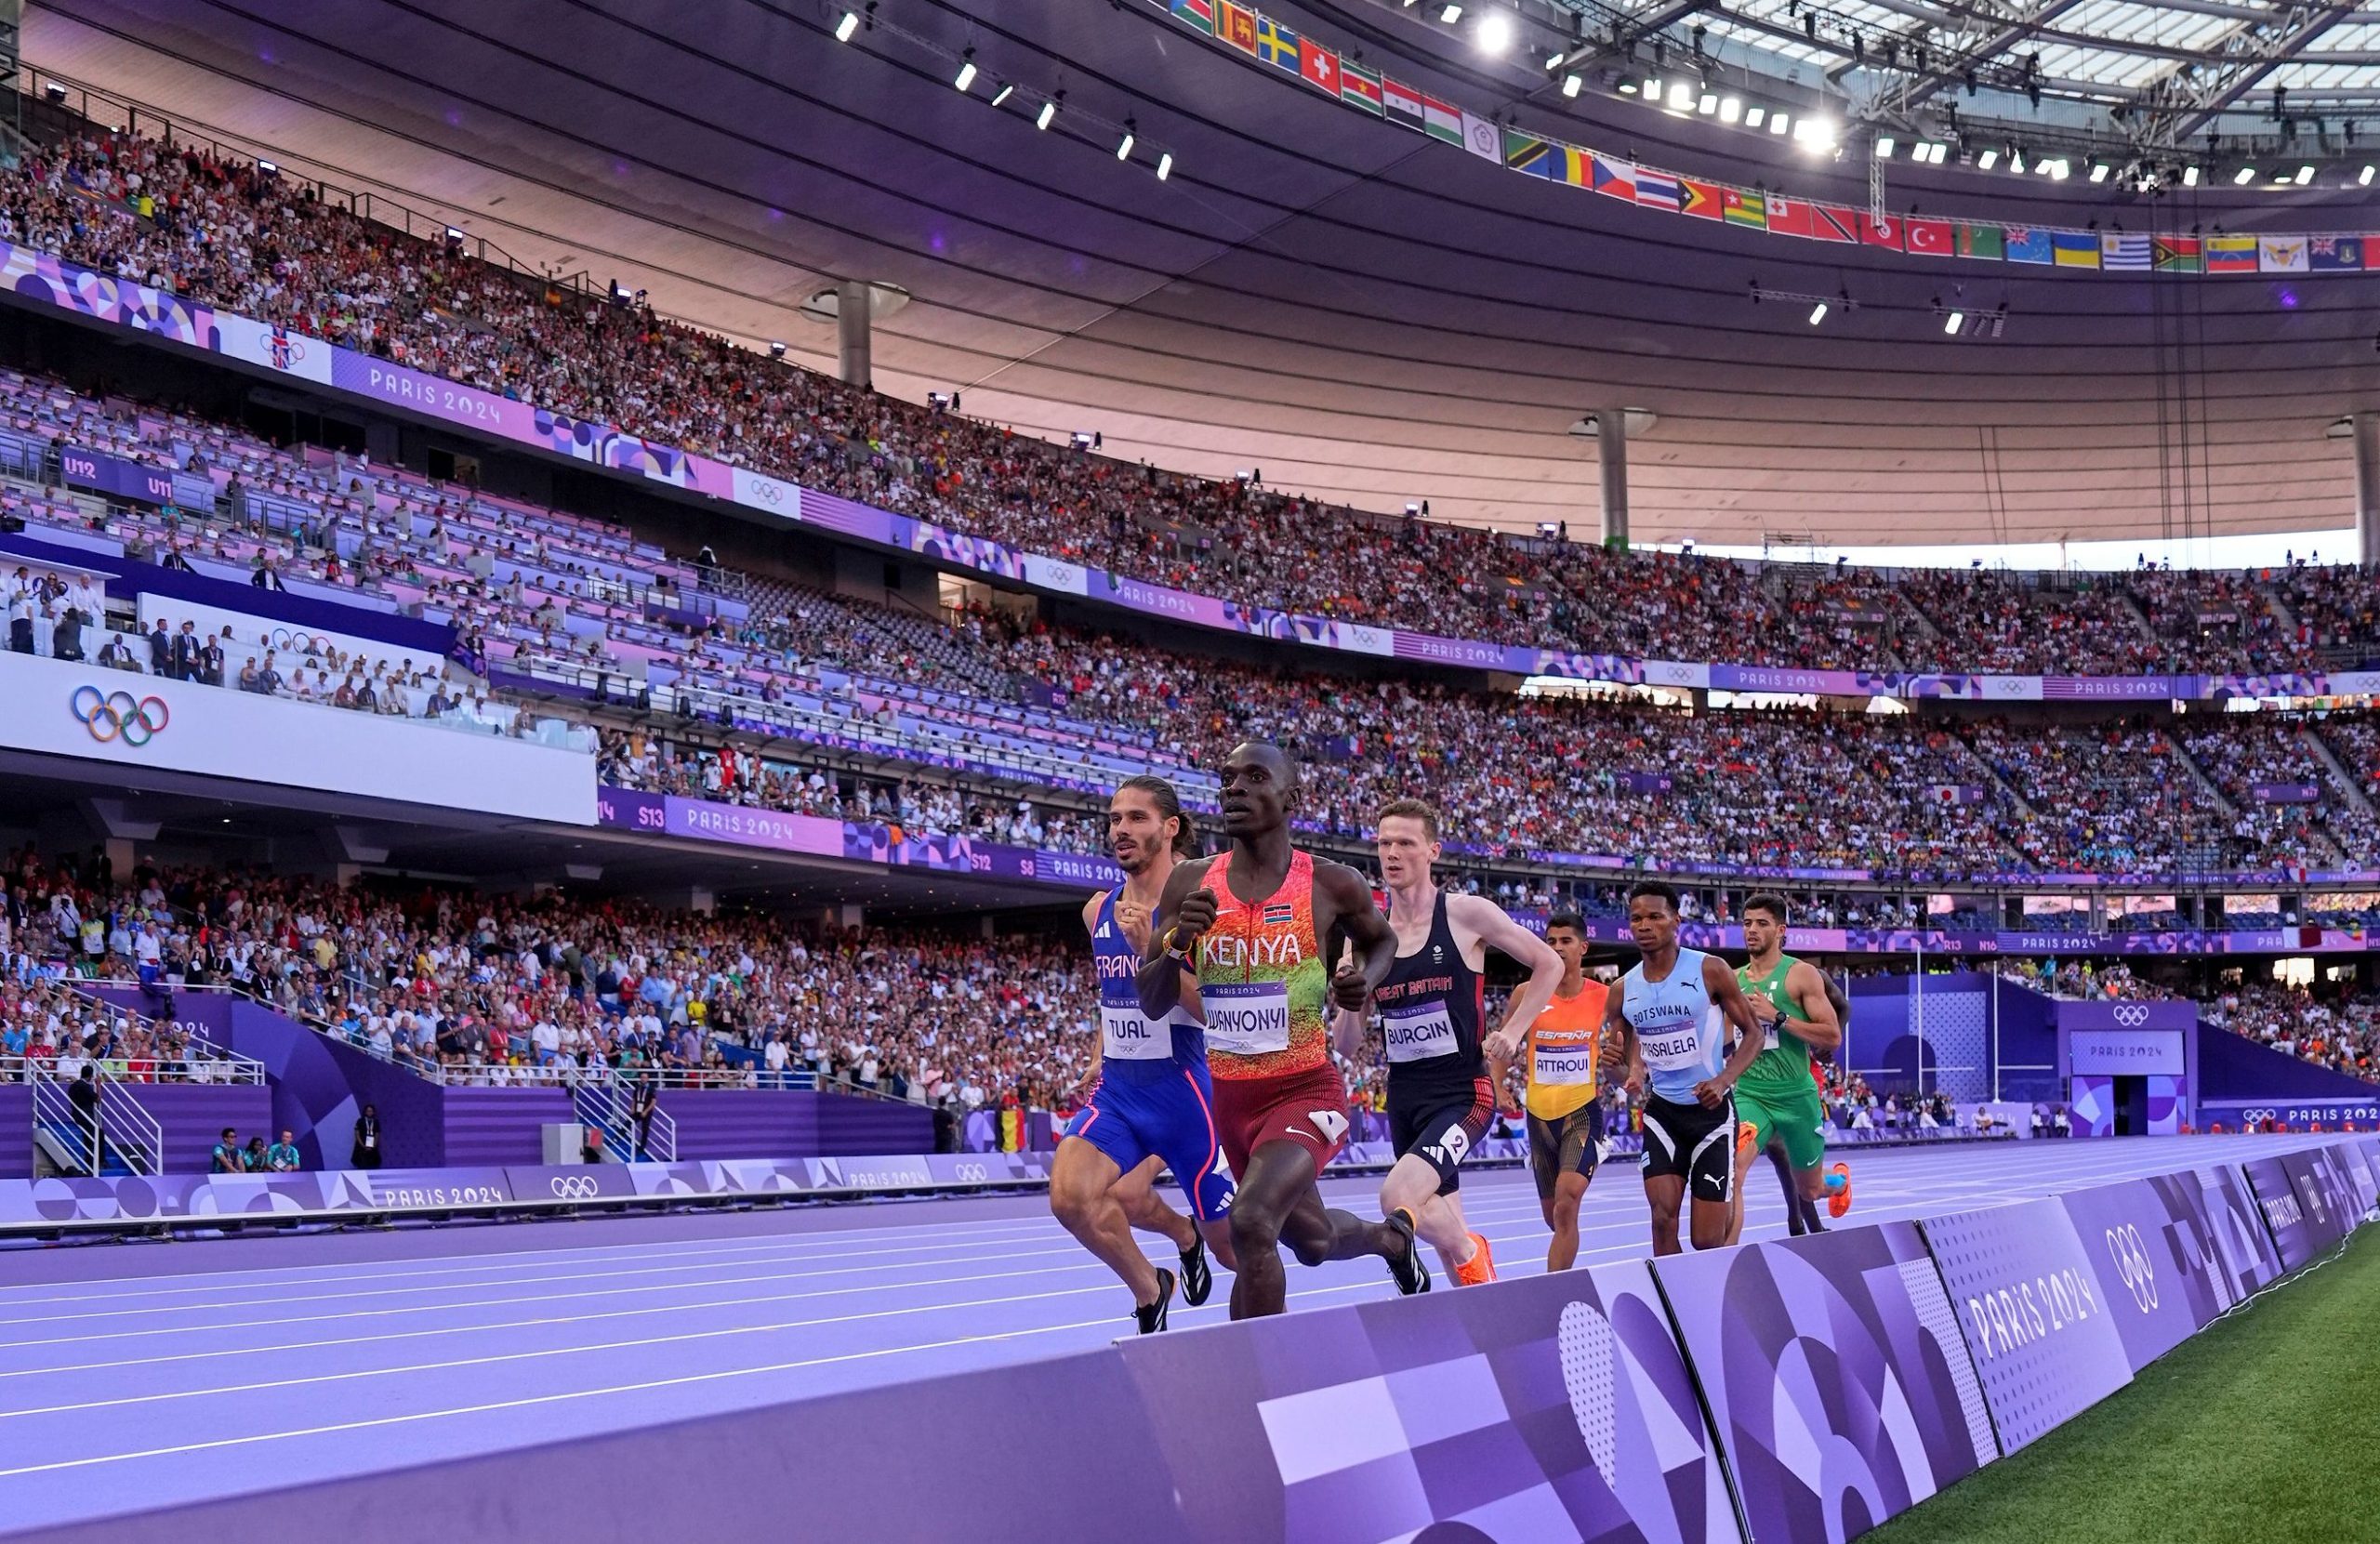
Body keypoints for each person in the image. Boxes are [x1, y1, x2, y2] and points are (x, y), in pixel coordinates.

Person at [1140, 742, 1418, 1319]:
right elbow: (1151, 998)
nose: (1234, 788)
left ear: (1291, 798)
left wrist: (1363, 980)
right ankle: (1392, 1239)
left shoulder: (1330, 883)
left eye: (1254, 777)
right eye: (1226, 778)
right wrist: (1175, 944)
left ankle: (1257, 1379)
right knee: (1311, 1241)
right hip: (1232, 1103)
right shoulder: (1190, 882)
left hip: (1304, 1090)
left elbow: (1383, 939)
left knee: (1250, 1222)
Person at [1337, 799, 1562, 1288]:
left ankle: (1469, 1245)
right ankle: (1482, 1322)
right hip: (1404, 1097)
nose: (1392, 853)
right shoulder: (1367, 939)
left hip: (1463, 1092)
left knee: (1397, 1195)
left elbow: (1550, 964)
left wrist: (1514, 1030)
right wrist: (1349, 997)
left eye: (1405, 843)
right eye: (1384, 843)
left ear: (1433, 850)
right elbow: (1347, 1043)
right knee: (1449, 1258)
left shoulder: (1465, 914)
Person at [1049, 776, 1235, 1334]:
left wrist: (1153, 954)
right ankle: (1151, 1289)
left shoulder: (1203, 909)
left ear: (1170, 827)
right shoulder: (1097, 910)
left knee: (1232, 1251)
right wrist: (1099, 1051)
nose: (1121, 830)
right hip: (1122, 1092)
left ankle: (1202, 1246)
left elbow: (1218, 1014)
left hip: (1188, 1098)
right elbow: (1118, 995)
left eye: (1136, 818)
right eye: (1114, 819)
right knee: (1070, 1198)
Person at [1598, 879, 1767, 1256]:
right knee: (1661, 1219)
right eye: (1637, 918)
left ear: (1676, 921)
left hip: (1712, 1116)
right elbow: (1622, 1073)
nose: (1644, 925)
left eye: (1655, 917)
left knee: (1706, 1241)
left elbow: (1754, 1034)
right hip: (1663, 1114)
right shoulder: (1623, 990)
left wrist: (1723, 1081)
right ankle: (1675, 1306)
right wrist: (1614, 1069)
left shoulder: (1711, 970)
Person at [1724, 894, 1850, 1246]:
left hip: (1796, 1097)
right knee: (1732, 1173)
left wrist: (1777, 1016)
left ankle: (1837, 1182)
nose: (1752, 930)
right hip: (1751, 1095)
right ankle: (1721, 1258)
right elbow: (1719, 1038)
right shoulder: (1732, 980)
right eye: (1747, 922)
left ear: (1781, 930)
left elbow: (1832, 1035)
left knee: (1809, 1190)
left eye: (1761, 923)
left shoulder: (1801, 975)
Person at [1487, 911, 1608, 1272]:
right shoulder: (1527, 994)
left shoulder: (1604, 995)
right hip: (1538, 1116)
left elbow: (1625, 1041)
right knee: (1553, 1216)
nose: (1556, 948)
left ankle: (1554, 1287)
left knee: (1567, 1203)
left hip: (1582, 1111)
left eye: (1565, 941)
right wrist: (1496, 1085)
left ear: (1583, 947)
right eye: (1550, 941)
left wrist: (1628, 1069)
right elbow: (1504, 1043)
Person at [66, 1063, 103, 1174]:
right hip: (86, 1116)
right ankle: (98, 1162)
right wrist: (98, 1084)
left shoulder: (73, 1086)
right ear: (90, 1076)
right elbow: (97, 1099)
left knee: (90, 1139)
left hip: (76, 1114)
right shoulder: (85, 1086)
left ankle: (92, 1165)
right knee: (95, 1137)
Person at [351, 1103, 383, 1168]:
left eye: (371, 1111)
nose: (369, 1112)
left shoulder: (376, 1121)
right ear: (365, 1112)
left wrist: (374, 1145)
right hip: (361, 1146)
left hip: (372, 1146)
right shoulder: (360, 1121)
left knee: (373, 1164)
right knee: (361, 1164)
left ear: (373, 1112)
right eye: (368, 1111)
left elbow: (377, 1134)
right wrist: (363, 1145)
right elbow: (357, 1134)